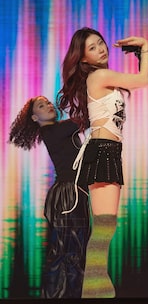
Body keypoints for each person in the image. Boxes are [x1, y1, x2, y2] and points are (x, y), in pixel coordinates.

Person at [57, 27, 148, 298]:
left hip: (105, 151)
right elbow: (144, 79)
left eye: (101, 43)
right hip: (103, 151)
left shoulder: (99, 77)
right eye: (92, 47)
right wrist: (145, 47)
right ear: (83, 58)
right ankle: (95, 289)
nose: (101, 49)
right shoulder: (100, 75)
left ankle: (96, 287)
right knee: (105, 225)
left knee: (104, 226)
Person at [8, 96, 90, 298]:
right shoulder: (53, 131)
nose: (48, 106)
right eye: (41, 106)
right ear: (35, 118)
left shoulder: (58, 130)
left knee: (71, 253)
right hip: (67, 197)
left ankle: (66, 294)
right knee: (69, 254)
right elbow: (86, 119)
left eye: (48, 102)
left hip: (72, 195)